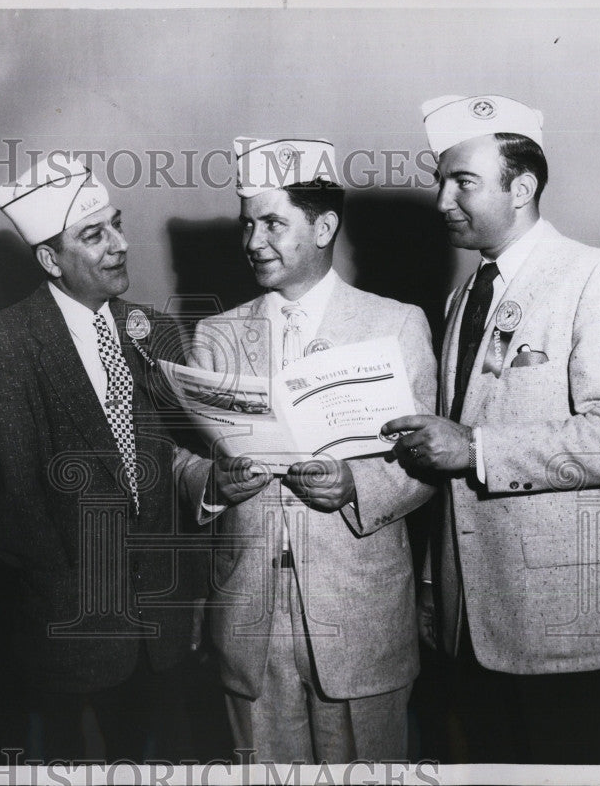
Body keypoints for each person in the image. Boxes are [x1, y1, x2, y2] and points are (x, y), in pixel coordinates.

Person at [382, 94, 600, 763]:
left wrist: (474, 447)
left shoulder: (599, 275)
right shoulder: (464, 293)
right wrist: (431, 587)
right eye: (440, 180)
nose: (443, 198)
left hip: (567, 630)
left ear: (523, 186)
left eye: (463, 182)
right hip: (469, 625)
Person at [0, 155, 263, 762]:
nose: (121, 245)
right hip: (71, 633)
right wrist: (79, 604)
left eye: (117, 225)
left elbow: (178, 457)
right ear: (50, 260)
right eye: (94, 235)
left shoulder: (152, 329)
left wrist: (214, 484)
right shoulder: (3, 342)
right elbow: (18, 506)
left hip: (165, 631)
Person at [186, 137, 438, 763]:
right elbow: (183, 462)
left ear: (324, 226)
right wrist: (215, 485)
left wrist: (357, 486)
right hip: (248, 619)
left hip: (360, 613)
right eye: (247, 224)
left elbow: (427, 461)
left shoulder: (396, 323)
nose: (253, 242)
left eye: (273, 222)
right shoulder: (215, 334)